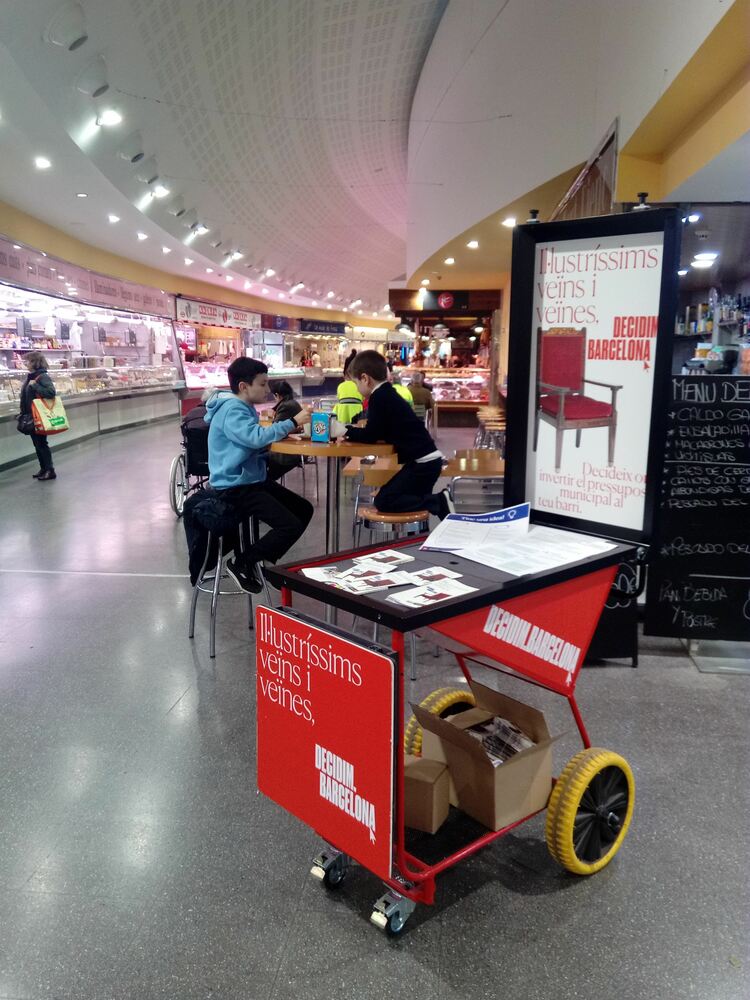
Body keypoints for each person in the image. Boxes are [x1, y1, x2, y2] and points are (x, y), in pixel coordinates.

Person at [204, 358, 313, 593]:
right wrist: (292, 421)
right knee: (289, 525)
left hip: (251, 480)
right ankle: (242, 562)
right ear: (244, 386)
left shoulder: (242, 408)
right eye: (263, 384)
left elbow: (249, 443)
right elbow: (255, 438)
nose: (268, 389)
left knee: (303, 509)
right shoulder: (232, 409)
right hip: (234, 486)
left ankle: (258, 560)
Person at [343, 350, 452, 517]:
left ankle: (439, 501)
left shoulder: (378, 397)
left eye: (356, 383)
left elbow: (370, 435)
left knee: (384, 501)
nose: (357, 389)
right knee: (389, 497)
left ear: (365, 379)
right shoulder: (387, 393)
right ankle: (433, 507)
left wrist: (345, 430)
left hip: (422, 463)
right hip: (426, 461)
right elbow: (380, 430)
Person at [21, 351, 57, 480]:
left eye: (28, 361)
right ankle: (43, 468)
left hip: (39, 415)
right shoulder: (31, 376)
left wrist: (35, 385)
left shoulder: (42, 376)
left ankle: (50, 470)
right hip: (31, 416)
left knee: (41, 443)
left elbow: (51, 392)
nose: (25, 363)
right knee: (37, 444)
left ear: (34, 362)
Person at [265, 379, 303, 483]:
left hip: (286, 454)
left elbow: (275, 429)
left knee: (257, 459)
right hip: (294, 449)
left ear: (277, 395)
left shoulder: (285, 406)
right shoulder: (293, 403)